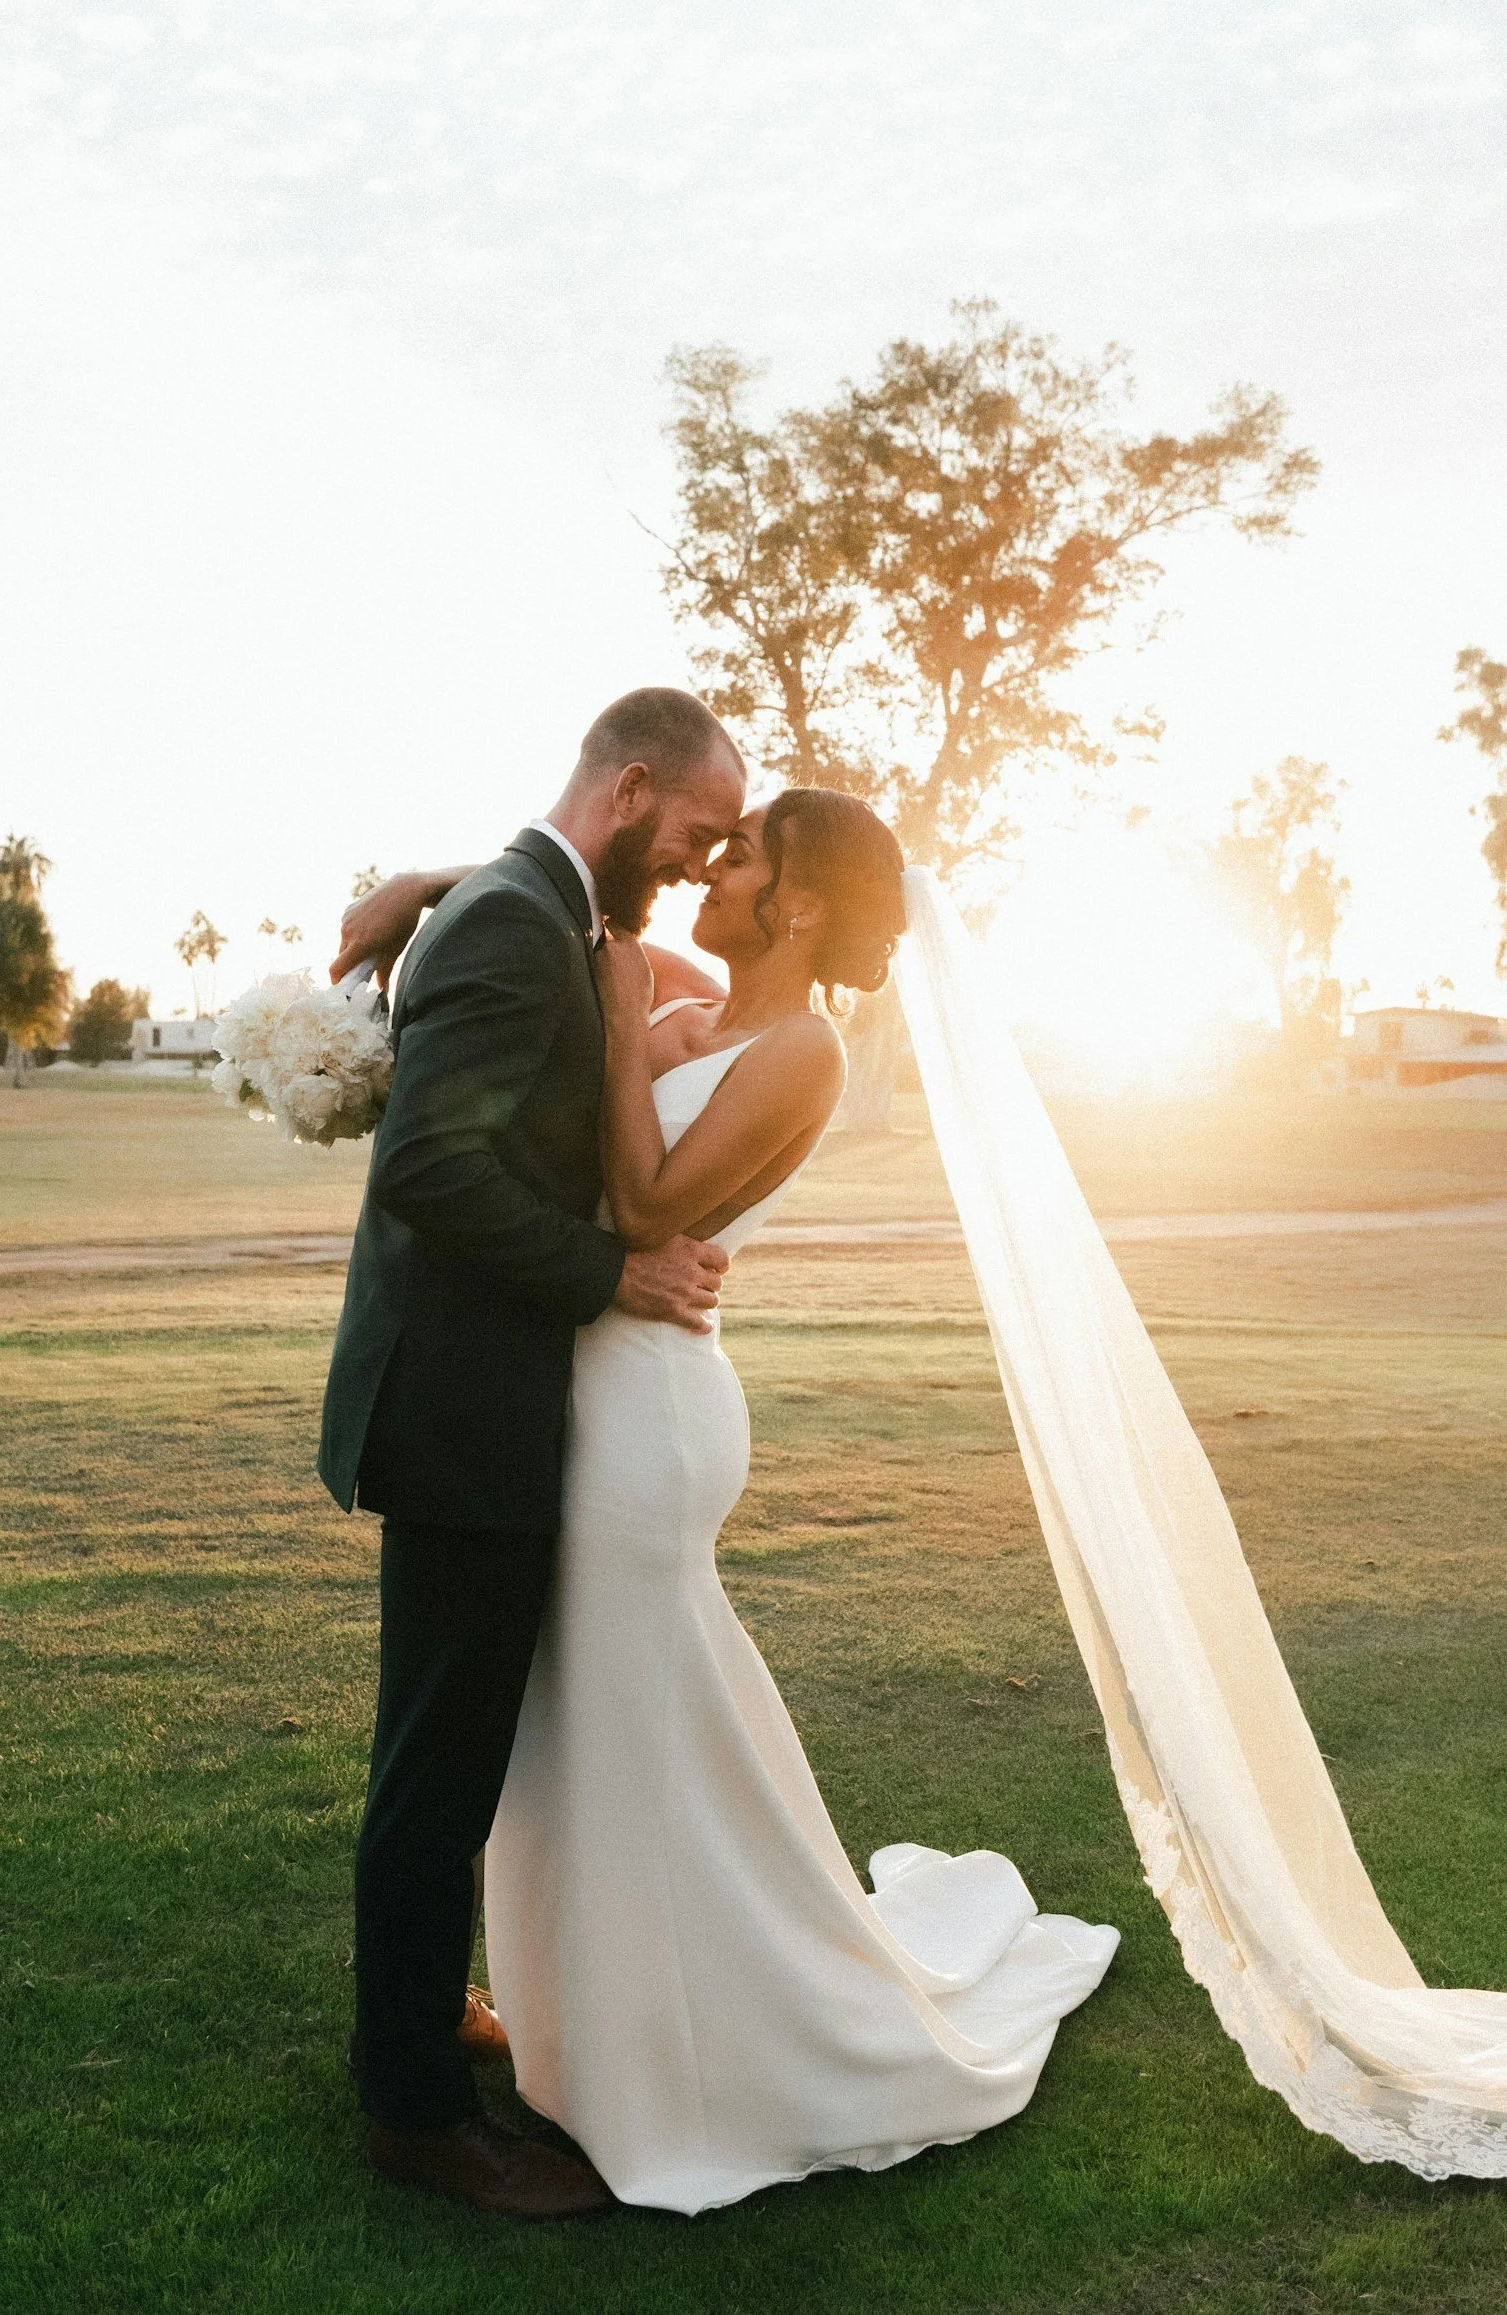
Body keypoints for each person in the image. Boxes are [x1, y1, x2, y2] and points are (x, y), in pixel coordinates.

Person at [480, 786, 1120, 2212]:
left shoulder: (807, 1051)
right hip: (585, 1391)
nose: (713, 866)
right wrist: (624, 999)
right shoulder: (703, 1017)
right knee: (588, 1721)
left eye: (745, 853)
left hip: (647, 1418)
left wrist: (614, 1000)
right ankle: (595, 2034)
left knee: (639, 1723)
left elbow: (648, 1213)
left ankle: (720, 2053)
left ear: (805, 902)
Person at [318, 687, 747, 2220]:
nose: (699, 867)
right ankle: (421, 2115)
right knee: (441, 1766)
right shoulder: (517, 923)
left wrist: (436, 875)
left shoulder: (526, 905)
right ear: (631, 790)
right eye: (693, 834)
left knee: (438, 1749)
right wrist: (608, 1272)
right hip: (463, 1408)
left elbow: (570, 932)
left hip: (467, 1398)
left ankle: (419, 2015)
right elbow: (431, 1162)